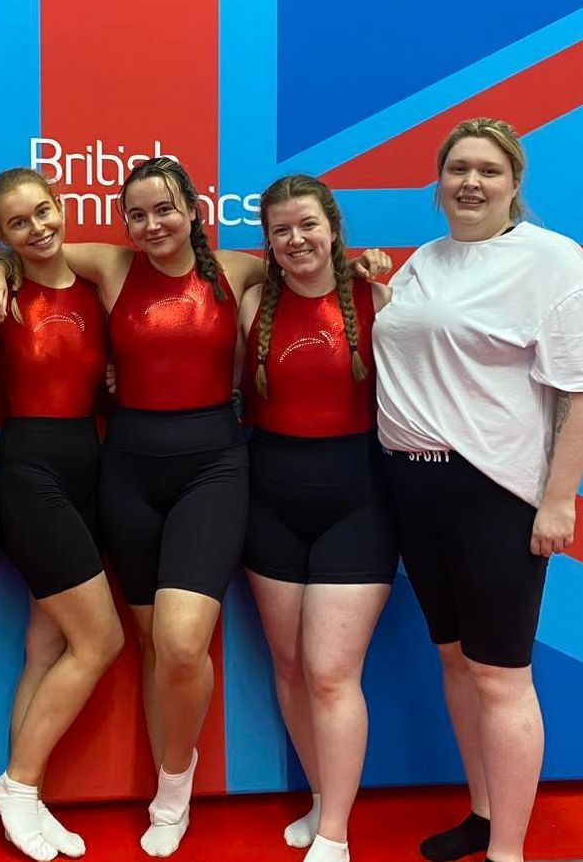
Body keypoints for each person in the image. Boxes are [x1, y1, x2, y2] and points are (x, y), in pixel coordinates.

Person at [0, 156, 275, 857]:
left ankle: (176, 784)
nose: (151, 225)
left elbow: (306, 261)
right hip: (128, 470)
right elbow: (26, 245)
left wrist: (367, 266)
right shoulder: (113, 265)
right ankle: (46, 789)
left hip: (212, 463)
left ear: (194, 208)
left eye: (165, 209)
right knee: (140, 644)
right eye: (137, 214)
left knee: (179, 642)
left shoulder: (235, 269)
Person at [373, 118, 583, 862]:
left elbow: (576, 394)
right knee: (457, 661)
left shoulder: (553, 261)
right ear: (438, 181)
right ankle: (486, 815)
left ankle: (511, 852)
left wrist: (558, 501)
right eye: (458, 168)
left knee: (500, 675)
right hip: (413, 489)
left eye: (489, 171)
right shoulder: (424, 261)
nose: (470, 183)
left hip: (494, 494)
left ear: (515, 184)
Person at [239, 175, 396, 862]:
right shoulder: (250, 305)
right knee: (291, 665)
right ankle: (320, 800)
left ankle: (336, 834)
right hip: (269, 498)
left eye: (307, 224)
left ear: (332, 226)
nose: (296, 240)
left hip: (357, 499)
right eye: (281, 230)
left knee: (332, 672)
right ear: (267, 244)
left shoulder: (378, 296)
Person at [0, 168, 124, 862]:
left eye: (43, 212)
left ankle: (25, 801)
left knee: (48, 646)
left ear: (61, 208)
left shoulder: (99, 283)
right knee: (100, 643)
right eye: (17, 224)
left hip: (87, 467)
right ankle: (19, 783)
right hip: (30, 468)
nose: (37, 228)